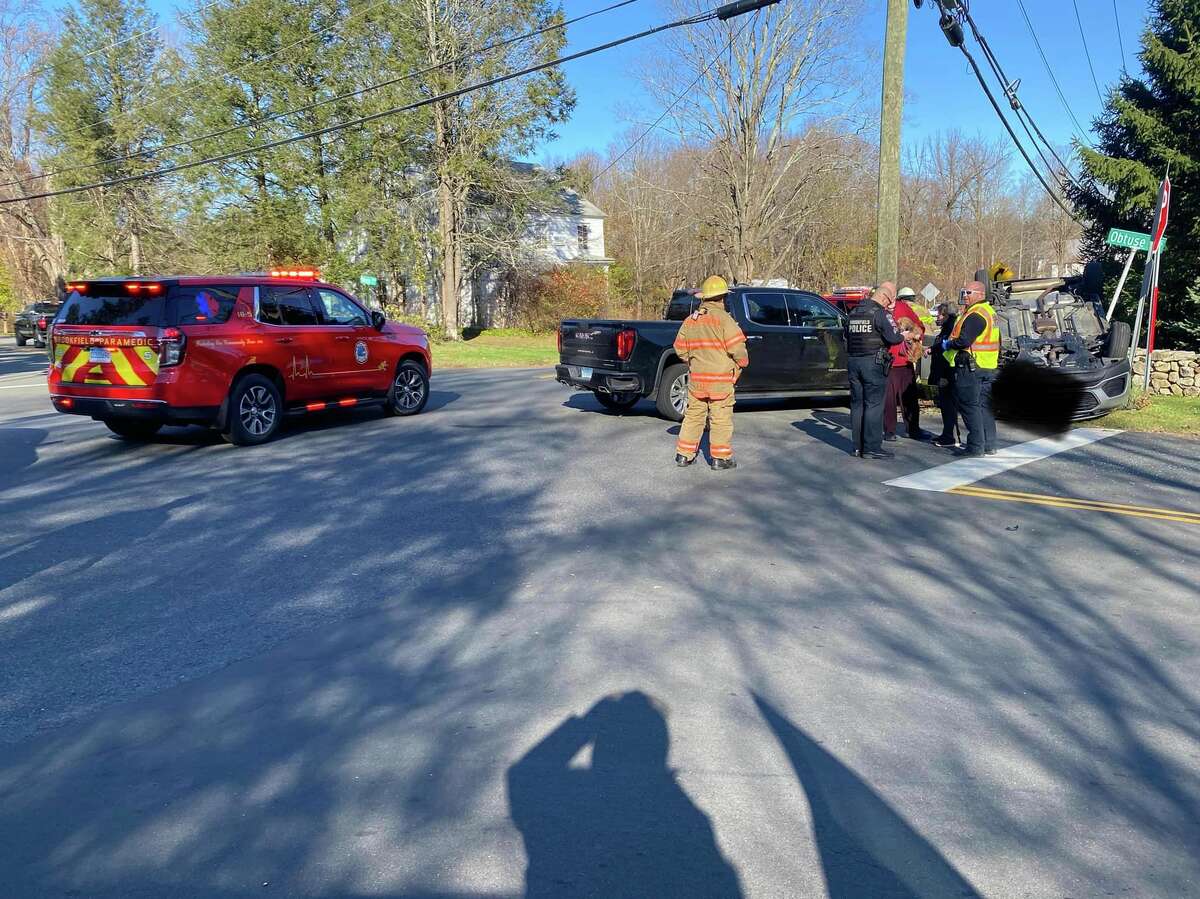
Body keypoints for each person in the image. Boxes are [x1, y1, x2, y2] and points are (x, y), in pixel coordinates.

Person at [672, 275, 749, 470]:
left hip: (697, 379)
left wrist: (695, 361)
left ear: (703, 298)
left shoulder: (691, 321)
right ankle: (720, 458)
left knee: (694, 416)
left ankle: (684, 455)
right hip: (720, 380)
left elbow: (679, 348)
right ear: (723, 297)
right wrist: (741, 363)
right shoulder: (725, 320)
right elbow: (738, 350)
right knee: (720, 418)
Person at [846, 282, 911, 459]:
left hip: (853, 362)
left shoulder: (853, 313)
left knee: (857, 404)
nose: (889, 305)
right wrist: (902, 336)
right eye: (889, 302)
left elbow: (846, 336)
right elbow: (893, 337)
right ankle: (872, 447)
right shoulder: (880, 314)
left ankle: (857, 446)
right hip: (873, 364)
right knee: (874, 405)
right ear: (884, 297)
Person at [942, 280, 999, 456]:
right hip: (987, 365)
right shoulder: (989, 312)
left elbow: (964, 341)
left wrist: (949, 344)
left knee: (969, 406)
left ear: (980, 295)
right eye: (964, 292)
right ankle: (989, 444)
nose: (964, 296)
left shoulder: (976, 314)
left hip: (971, 366)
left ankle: (975, 446)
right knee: (983, 406)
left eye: (968, 293)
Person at [883, 287, 931, 442]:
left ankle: (913, 429)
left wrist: (914, 334)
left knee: (909, 398)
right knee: (888, 399)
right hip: (887, 361)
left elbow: (919, 326)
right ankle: (889, 430)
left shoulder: (903, 307)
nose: (890, 300)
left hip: (905, 360)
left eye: (892, 296)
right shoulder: (878, 310)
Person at [929, 301, 961, 447]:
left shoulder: (951, 328)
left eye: (941, 314)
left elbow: (945, 347)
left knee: (948, 404)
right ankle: (946, 434)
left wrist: (932, 349)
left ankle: (948, 436)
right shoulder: (948, 327)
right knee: (946, 404)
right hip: (946, 370)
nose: (938, 317)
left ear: (947, 315)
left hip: (947, 371)